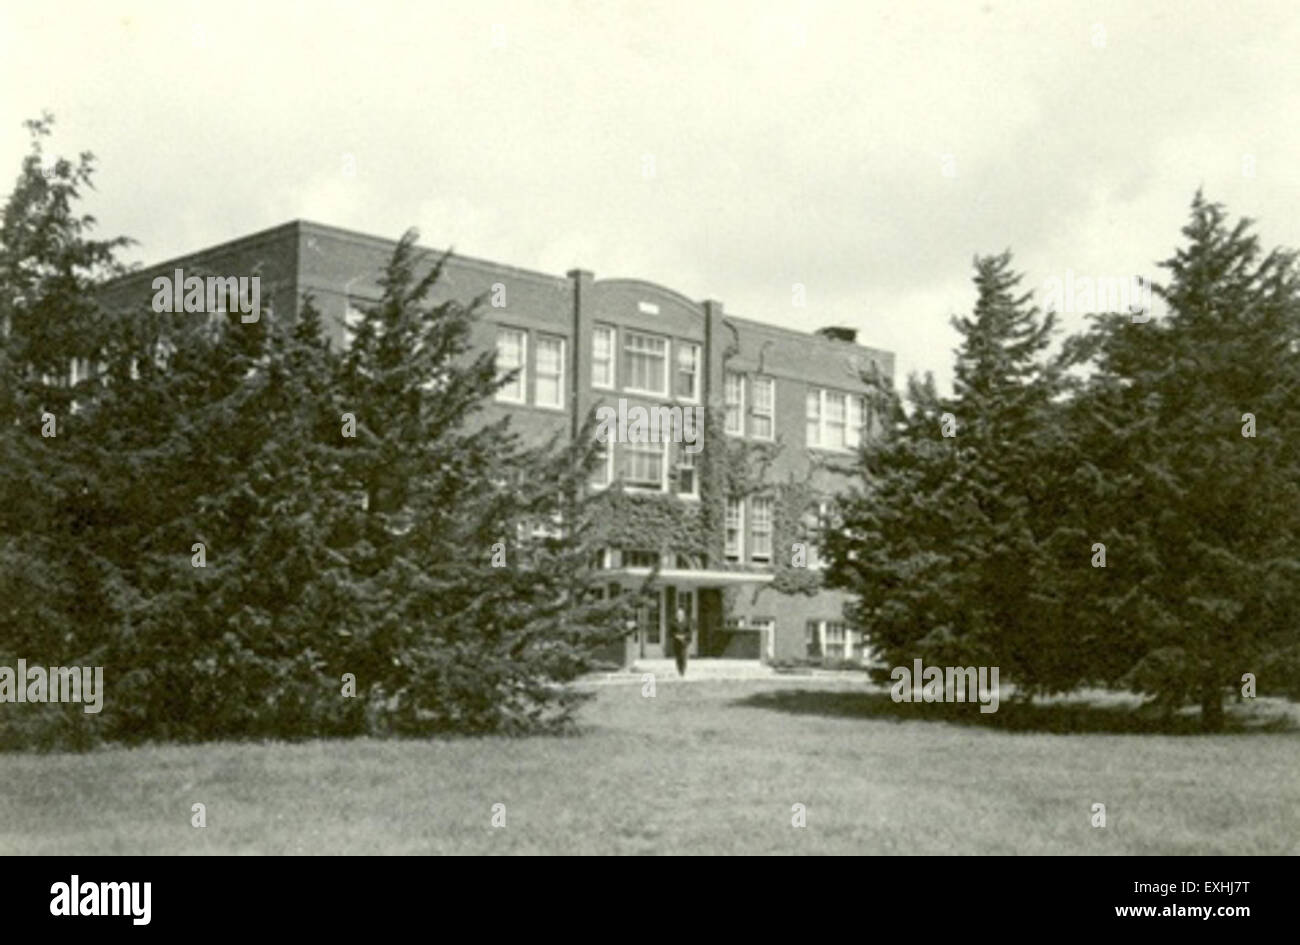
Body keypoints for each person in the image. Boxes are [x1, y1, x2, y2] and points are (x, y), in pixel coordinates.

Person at [671, 606, 690, 677]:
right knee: (678, 657)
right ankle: (679, 670)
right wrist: (676, 636)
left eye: (681, 614)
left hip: (684, 643)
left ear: (683, 615)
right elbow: (670, 632)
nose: (679, 615)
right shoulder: (673, 623)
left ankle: (683, 671)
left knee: (683, 656)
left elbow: (689, 632)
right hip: (676, 642)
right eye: (678, 614)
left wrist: (684, 636)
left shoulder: (686, 623)